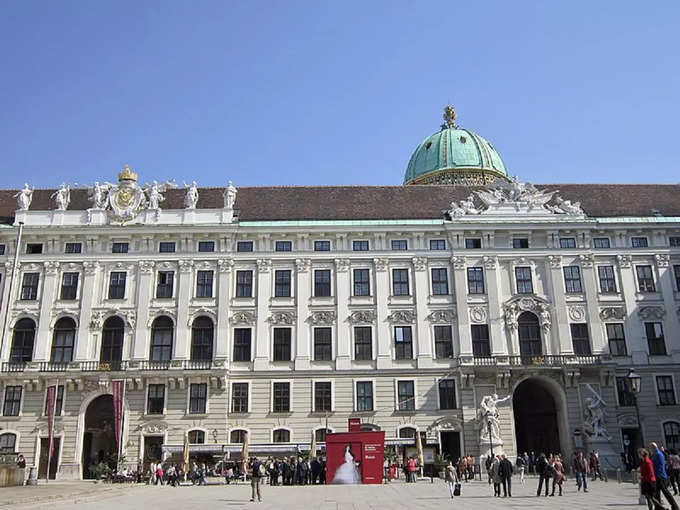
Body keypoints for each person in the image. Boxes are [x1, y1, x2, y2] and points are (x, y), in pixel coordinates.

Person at [650, 442, 679, 510]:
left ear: (653, 447)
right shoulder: (657, 454)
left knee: (665, 492)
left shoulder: (658, 454)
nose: (650, 449)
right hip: (658, 475)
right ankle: (658, 507)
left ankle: (674, 506)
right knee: (657, 493)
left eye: (650, 448)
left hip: (659, 476)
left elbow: (655, 465)